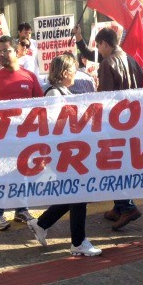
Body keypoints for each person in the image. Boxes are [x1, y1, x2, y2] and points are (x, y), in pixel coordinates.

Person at [27, 53, 102, 257]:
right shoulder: (54, 94)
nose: (76, 74)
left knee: (73, 194)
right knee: (78, 195)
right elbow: (55, 126)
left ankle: (41, 224)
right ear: (64, 72)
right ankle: (78, 243)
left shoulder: (62, 92)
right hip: (63, 153)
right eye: (73, 69)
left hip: (69, 152)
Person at [0, 35, 43, 230]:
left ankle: (21, 210)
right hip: (1, 137)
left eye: (5, 50)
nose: (1, 55)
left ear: (16, 51)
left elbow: (41, 105)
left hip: (24, 136)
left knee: (22, 172)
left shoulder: (29, 76)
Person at [93, 27, 143, 231]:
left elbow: (105, 97)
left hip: (114, 121)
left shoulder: (108, 63)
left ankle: (126, 206)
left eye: (98, 46)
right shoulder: (131, 59)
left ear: (105, 43)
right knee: (122, 162)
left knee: (114, 163)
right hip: (130, 119)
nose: (99, 50)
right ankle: (118, 206)